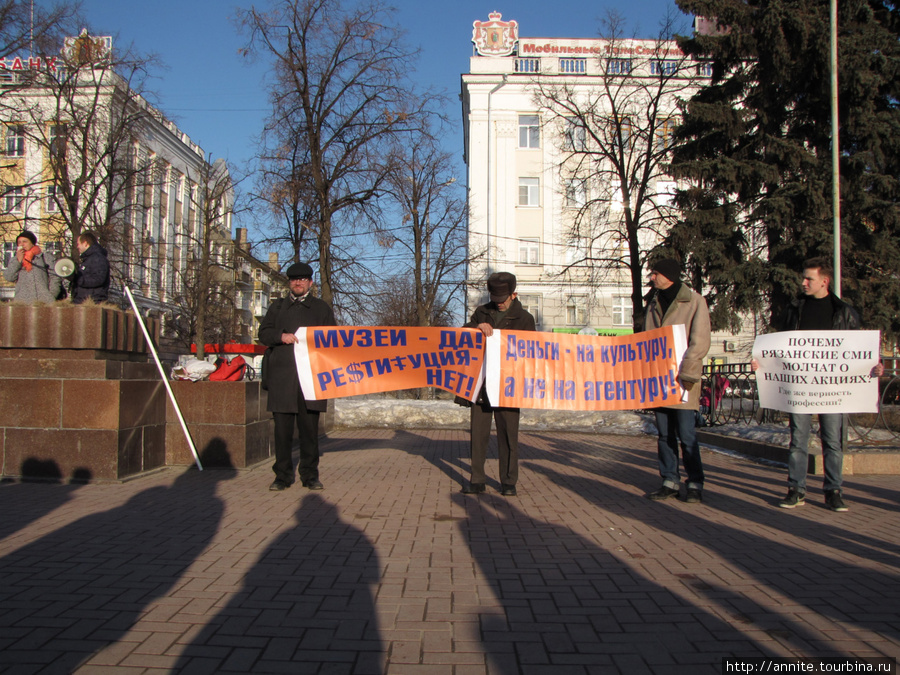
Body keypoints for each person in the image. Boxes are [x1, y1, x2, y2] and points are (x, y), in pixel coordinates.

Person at [753, 257, 883, 512]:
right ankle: (796, 489)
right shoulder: (793, 309)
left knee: (833, 441)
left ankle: (833, 491)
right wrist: (761, 363)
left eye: (808, 278)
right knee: (798, 440)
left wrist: (875, 367)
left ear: (824, 281)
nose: (803, 283)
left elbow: (858, 351)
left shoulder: (844, 312)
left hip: (833, 389)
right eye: (803, 277)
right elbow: (778, 347)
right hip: (801, 389)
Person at [258, 262, 337, 492]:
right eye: (294, 280)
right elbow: (263, 333)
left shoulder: (321, 308)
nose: (298, 283)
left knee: (309, 433)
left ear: (310, 283)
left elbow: (332, 339)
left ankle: (310, 476)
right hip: (282, 379)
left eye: (303, 279)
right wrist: (280, 336)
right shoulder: (277, 307)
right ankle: (282, 476)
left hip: (311, 381)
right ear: (289, 283)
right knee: (282, 433)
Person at [460, 272, 536, 497]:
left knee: (508, 435)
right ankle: (477, 480)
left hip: (509, 386)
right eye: (496, 297)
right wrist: (476, 329)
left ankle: (509, 482)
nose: (499, 302)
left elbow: (531, 353)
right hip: (482, 384)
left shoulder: (525, 319)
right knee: (478, 434)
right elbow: (463, 335)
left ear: (514, 294)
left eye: (503, 298)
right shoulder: (482, 312)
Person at [643, 258, 711, 504]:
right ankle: (669, 480)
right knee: (663, 434)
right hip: (660, 380)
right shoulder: (652, 302)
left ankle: (695, 482)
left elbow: (700, 340)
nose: (652, 278)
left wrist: (688, 372)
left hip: (683, 381)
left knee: (686, 434)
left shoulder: (694, 301)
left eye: (656, 273)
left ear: (669, 275)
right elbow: (646, 340)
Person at [3, 230, 61, 303]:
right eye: (19, 242)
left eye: (25, 241)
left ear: (32, 243)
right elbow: (9, 277)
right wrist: (18, 261)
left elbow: (55, 277)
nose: (22, 244)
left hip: (44, 301)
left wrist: (51, 295)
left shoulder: (44, 257)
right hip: (22, 302)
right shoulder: (15, 260)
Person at [71, 231, 110, 304]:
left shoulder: (97, 258)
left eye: (78, 244)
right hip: (84, 302)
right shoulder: (89, 259)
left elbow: (99, 279)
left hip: (92, 303)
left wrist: (79, 280)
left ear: (85, 243)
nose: (77, 247)